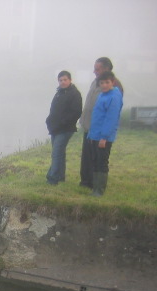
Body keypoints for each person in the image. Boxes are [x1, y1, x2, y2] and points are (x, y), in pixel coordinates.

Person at [79, 57, 124, 188]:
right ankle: (86, 182)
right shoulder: (96, 82)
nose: (94, 71)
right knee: (88, 156)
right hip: (90, 127)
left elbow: (112, 114)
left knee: (99, 159)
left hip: (101, 131)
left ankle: (96, 186)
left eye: (97, 69)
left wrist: (104, 135)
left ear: (106, 69)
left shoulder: (114, 86)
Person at [87, 71, 123, 197]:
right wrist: (91, 135)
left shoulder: (115, 96)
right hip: (95, 135)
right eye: (102, 83)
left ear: (112, 82)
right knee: (95, 161)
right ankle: (95, 188)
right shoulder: (102, 95)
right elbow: (97, 117)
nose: (104, 85)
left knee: (102, 162)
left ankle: (99, 190)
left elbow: (111, 119)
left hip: (104, 137)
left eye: (107, 82)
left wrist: (104, 137)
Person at [45, 70, 83, 185]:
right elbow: (53, 109)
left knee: (56, 153)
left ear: (70, 80)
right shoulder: (59, 93)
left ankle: (52, 178)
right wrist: (49, 121)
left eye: (65, 80)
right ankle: (60, 176)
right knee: (60, 153)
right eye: (60, 80)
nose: (63, 82)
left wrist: (63, 122)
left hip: (65, 129)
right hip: (55, 128)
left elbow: (76, 112)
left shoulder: (75, 94)